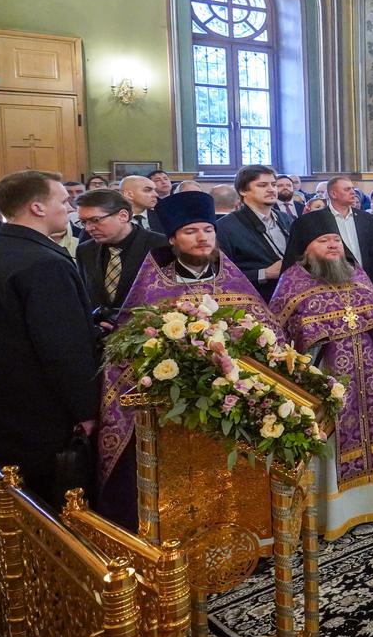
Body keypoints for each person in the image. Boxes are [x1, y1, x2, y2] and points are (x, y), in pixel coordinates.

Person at [97, 190, 271, 527]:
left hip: (231, 405)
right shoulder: (152, 287)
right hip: (170, 414)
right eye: (191, 231)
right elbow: (126, 345)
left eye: (208, 229)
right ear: (174, 239)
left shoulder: (234, 281)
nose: (202, 237)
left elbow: (268, 332)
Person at [270, 210, 373, 539]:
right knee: (331, 447)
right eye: (323, 240)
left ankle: (372, 503)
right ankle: (332, 515)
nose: (333, 245)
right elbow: (278, 336)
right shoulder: (291, 284)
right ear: (305, 249)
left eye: (335, 239)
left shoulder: (356, 274)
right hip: (324, 380)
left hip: (369, 374)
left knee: (372, 431)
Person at [0, 171, 99, 505]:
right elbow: (62, 349)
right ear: (37, 207)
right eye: (62, 200)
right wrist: (86, 411)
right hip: (40, 418)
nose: (69, 207)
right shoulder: (44, 263)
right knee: (48, 509)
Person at [76, 189, 165, 321]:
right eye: (84, 222)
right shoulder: (85, 250)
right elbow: (85, 298)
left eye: (95, 220)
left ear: (123, 216)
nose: (88, 228)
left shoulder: (161, 246)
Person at [217, 165, 292, 299]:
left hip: (291, 296)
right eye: (262, 185)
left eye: (273, 184)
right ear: (243, 191)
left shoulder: (287, 219)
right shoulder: (225, 226)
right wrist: (264, 274)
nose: (271, 189)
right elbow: (221, 275)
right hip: (254, 301)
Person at [303, 175, 373, 287]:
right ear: (333, 194)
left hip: (362, 282)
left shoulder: (365, 218)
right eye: (347, 189)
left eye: (352, 188)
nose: (353, 192)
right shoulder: (317, 219)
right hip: (330, 283)